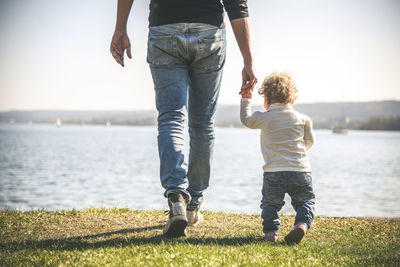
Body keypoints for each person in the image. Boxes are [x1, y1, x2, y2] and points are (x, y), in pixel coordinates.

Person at [110, 0, 257, 237]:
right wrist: (248, 61)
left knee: (171, 117)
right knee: (202, 123)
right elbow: (237, 5)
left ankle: (176, 195)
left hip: (164, 28)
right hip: (209, 32)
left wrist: (120, 28)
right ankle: (193, 205)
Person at [239, 72, 315, 244]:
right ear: (292, 97)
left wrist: (246, 98)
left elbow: (245, 119)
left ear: (266, 97)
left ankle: (271, 233)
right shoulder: (304, 119)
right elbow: (309, 142)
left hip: (273, 171)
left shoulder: (263, 118)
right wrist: (297, 154)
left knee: (270, 204)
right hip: (300, 170)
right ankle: (301, 225)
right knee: (305, 200)